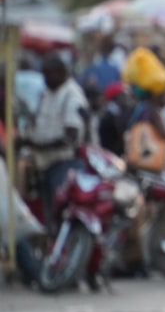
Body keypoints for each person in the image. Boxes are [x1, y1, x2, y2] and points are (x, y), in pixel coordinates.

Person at [25, 55, 89, 228]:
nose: (45, 79)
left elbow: (71, 137)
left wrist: (38, 145)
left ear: (61, 73)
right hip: (44, 165)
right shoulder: (47, 93)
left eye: (48, 74)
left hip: (64, 164)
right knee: (47, 215)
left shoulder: (72, 95)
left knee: (60, 212)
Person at [97, 82, 129, 157]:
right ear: (115, 97)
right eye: (123, 96)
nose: (126, 99)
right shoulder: (110, 117)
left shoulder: (116, 114)